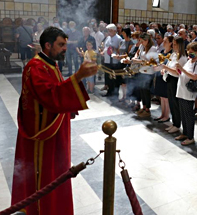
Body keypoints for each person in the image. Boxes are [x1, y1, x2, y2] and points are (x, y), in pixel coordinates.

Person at [11, 27, 97, 215]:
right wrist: (79, 76)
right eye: (61, 45)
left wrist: (69, 106)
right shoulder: (36, 67)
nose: (65, 48)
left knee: (58, 173)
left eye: (65, 44)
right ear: (47, 45)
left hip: (54, 130)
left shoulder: (51, 63)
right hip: (43, 137)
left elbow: (56, 88)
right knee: (46, 178)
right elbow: (50, 96)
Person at [174, 42, 197, 145]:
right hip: (181, 91)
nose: (189, 53)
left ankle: (190, 137)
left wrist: (182, 69)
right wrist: (179, 70)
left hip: (189, 93)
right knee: (183, 114)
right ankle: (185, 133)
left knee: (188, 116)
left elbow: (195, 76)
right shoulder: (189, 61)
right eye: (188, 51)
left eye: (192, 52)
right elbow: (183, 74)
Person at [163, 36, 187, 134]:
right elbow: (169, 65)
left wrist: (165, 67)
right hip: (169, 78)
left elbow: (178, 72)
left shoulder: (182, 57)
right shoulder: (173, 54)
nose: (173, 46)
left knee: (175, 103)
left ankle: (177, 124)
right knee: (171, 103)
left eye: (175, 44)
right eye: (173, 43)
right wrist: (165, 69)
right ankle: (174, 123)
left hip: (176, 80)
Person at [131, 33, 157, 117]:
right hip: (141, 70)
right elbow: (137, 54)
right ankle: (143, 106)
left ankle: (147, 109)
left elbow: (150, 61)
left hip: (148, 72)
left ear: (147, 40)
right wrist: (135, 58)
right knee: (141, 90)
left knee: (146, 91)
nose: (141, 43)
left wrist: (139, 61)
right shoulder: (142, 46)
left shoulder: (152, 48)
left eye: (142, 41)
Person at [153, 35, 173, 123]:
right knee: (161, 96)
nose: (163, 43)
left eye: (165, 41)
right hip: (160, 75)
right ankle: (162, 114)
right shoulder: (162, 51)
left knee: (166, 97)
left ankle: (166, 115)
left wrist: (164, 69)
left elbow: (170, 65)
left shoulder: (172, 53)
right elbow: (159, 62)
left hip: (167, 76)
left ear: (170, 43)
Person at [101, 24, 122, 97]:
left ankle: (115, 92)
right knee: (108, 76)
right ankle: (109, 91)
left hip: (114, 60)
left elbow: (120, 49)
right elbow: (105, 47)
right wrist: (103, 52)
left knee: (114, 77)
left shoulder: (118, 38)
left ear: (114, 30)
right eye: (108, 30)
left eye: (110, 30)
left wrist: (114, 48)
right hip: (107, 59)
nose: (109, 32)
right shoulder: (108, 38)